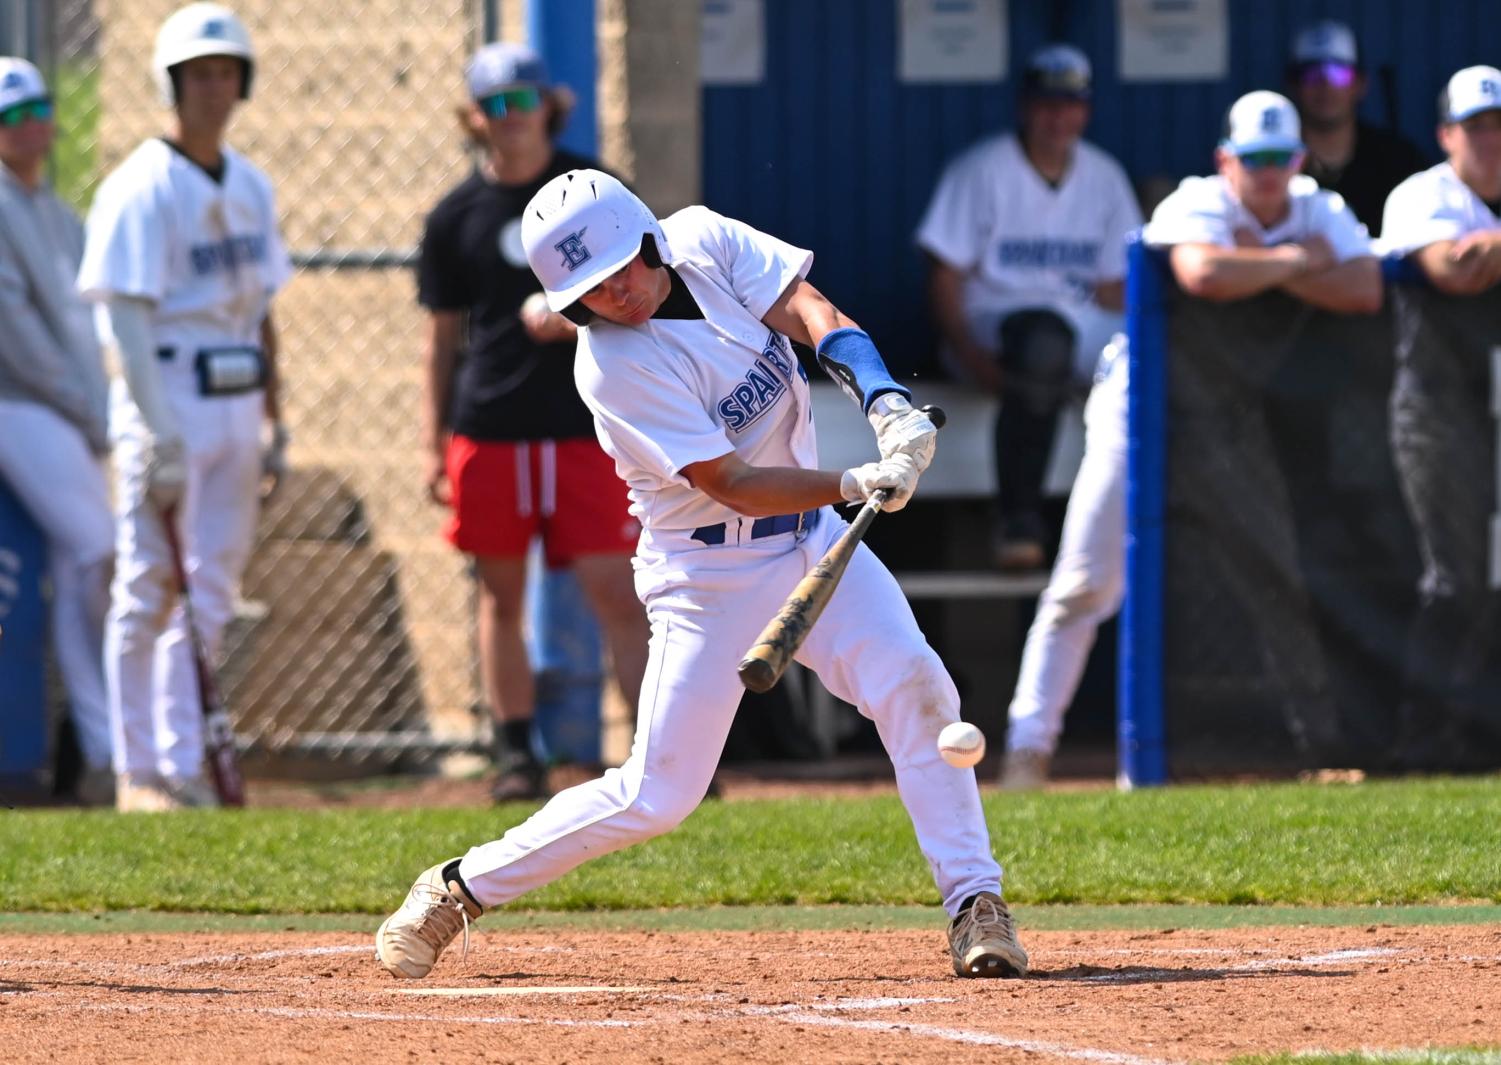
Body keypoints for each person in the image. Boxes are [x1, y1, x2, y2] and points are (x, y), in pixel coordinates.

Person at [374, 169, 1028, 982]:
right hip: (706, 575)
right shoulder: (611, 368)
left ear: (650, 238)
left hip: (814, 540)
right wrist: (856, 481)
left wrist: (886, 403)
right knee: (658, 793)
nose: (617, 294)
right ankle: (455, 888)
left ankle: (975, 904)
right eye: (592, 288)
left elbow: (813, 314)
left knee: (918, 688)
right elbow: (731, 482)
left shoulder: (706, 241)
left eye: (623, 268)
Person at [1000, 91, 1381, 789]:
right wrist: (1301, 264)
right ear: (1225, 159)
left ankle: (1318, 745)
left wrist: (1268, 261)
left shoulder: (1315, 206)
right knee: (1084, 584)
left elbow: (1363, 286)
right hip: (1137, 409)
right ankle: (1029, 750)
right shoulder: (1196, 201)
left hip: (1225, 418)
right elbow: (1200, 272)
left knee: (1276, 574)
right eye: (1253, 159)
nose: (1267, 174)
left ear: (1299, 161)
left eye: (1280, 159)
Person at [418, 42, 649, 801]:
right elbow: (441, 340)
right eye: (496, 106)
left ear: (548, 106)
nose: (512, 119)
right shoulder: (456, 216)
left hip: (584, 425)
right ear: (476, 118)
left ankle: (658, 747)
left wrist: (576, 317)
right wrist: (432, 446)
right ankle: (517, 753)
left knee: (617, 590)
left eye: (525, 102)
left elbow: (642, 293)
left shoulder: (592, 191)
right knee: (498, 595)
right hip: (491, 427)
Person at [78, 3, 292, 812]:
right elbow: (124, 316)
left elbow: (263, 306)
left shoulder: (250, 182)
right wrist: (157, 433)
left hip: (236, 401)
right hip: (165, 398)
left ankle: (184, 760)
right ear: (170, 84)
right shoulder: (140, 184)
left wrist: (278, 414)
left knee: (210, 586)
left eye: (226, 72)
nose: (214, 88)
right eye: (199, 74)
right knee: (148, 584)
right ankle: (137, 770)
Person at [916, 43, 1141, 570]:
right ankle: (1018, 520)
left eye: (1070, 104)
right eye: (1047, 104)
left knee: (1141, 355)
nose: (1058, 117)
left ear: (1085, 109)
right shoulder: (983, 168)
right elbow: (943, 277)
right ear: (1024, 106)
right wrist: (970, 356)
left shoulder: (1104, 176)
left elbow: (1113, 287)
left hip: (1073, 319)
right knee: (1045, 343)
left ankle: (1153, 520)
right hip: (994, 322)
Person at [1379, 66, 1501, 770]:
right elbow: (1455, 270)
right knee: (1452, 578)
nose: (1488, 140)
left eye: (1497, 125)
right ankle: (1421, 741)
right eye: (1475, 126)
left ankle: (1478, 737)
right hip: (1437, 410)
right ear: (1446, 134)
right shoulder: (1421, 194)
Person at [0, 57, 114, 804]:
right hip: (18, 403)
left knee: (84, 563)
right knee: (100, 547)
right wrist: (88, 407)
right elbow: (17, 339)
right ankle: (98, 739)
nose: (31, 123)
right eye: (12, 115)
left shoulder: (61, 214)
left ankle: (96, 744)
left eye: (37, 108)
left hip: (68, 408)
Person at [1283, 19, 1427, 235]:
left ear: (1360, 84)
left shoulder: (1398, 159)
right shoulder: (1274, 161)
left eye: (1339, 74)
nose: (1326, 85)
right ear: (1294, 85)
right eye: (1312, 75)